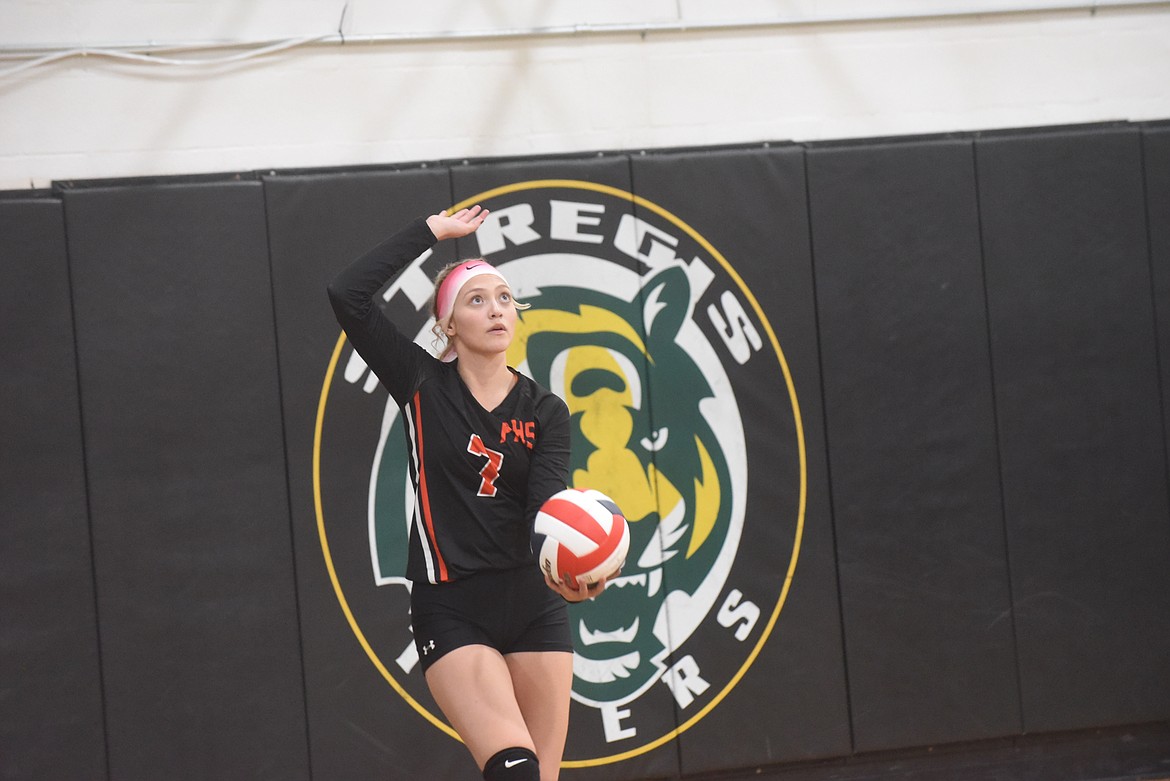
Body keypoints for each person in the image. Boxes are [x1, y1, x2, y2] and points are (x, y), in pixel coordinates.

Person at [327, 205, 608, 781]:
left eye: (504, 298)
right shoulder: (422, 384)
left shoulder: (546, 411)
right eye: (476, 300)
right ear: (448, 324)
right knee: (514, 769)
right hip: (453, 606)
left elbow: (545, 511)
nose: (496, 309)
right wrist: (430, 233)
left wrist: (574, 575)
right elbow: (347, 294)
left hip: (535, 606)